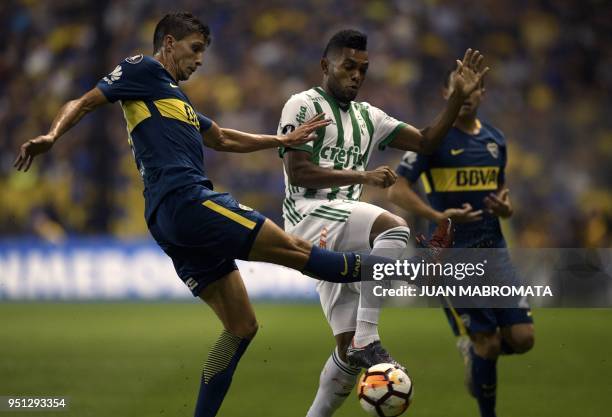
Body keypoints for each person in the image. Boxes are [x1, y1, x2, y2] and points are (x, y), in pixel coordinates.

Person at [13, 12, 430, 417]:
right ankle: (383, 278)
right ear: (169, 44)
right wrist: (52, 134)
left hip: (168, 221)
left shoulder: (176, 101)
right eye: (194, 50)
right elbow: (83, 101)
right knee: (299, 252)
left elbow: (224, 138)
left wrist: (282, 138)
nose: (198, 61)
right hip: (187, 201)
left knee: (241, 327)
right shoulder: (142, 69)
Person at [277, 29, 488, 417]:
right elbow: (300, 170)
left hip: (345, 230)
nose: (356, 75)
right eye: (348, 67)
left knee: (345, 349)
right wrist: (362, 177)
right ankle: (377, 326)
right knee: (393, 227)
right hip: (308, 220)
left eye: (363, 69)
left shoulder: (369, 117)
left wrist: (457, 97)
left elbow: (425, 141)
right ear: (326, 66)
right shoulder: (302, 105)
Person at [388, 69, 535, 417]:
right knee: (488, 342)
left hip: (494, 251)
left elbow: (501, 197)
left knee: (522, 339)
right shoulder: (431, 140)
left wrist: (507, 208)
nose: (466, 93)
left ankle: (474, 350)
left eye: (473, 88)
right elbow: (397, 189)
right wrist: (437, 216)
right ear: (446, 93)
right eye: (458, 87)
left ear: (483, 93)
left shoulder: (496, 141)